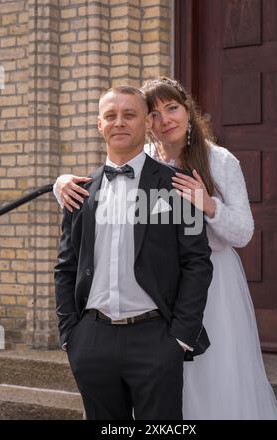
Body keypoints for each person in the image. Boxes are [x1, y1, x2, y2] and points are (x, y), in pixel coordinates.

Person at [54, 77, 277, 420]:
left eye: (171, 108)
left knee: (207, 384)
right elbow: (69, 260)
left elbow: (228, 241)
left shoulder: (215, 162)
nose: (164, 120)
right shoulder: (134, 159)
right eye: (156, 113)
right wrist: (72, 334)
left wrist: (178, 338)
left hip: (199, 294)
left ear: (187, 111)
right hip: (112, 323)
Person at [54, 85, 213, 420]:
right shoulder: (79, 192)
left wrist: (180, 339)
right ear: (100, 125)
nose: (119, 122)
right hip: (92, 340)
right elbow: (66, 267)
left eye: (129, 114)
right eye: (110, 116)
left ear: (146, 123)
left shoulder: (176, 185)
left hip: (155, 339)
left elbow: (197, 263)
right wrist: (71, 334)